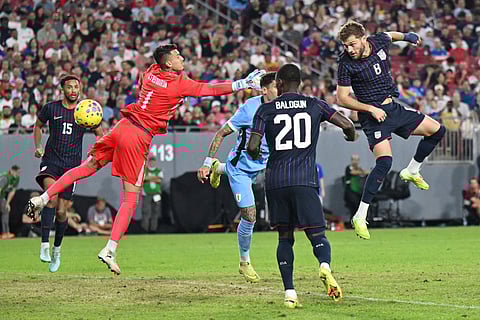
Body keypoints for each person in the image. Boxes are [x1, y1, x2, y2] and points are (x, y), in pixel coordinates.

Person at [25, 44, 266, 275]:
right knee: (130, 198)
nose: (182, 58)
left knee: (87, 167)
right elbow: (208, 90)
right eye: (177, 55)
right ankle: (110, 249)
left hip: (122, 126)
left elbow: (159, 77)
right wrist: (243, 83)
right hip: (138, 135)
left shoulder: (150, 73)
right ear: (169, 63)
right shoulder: (179, 83)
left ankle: (44, 197)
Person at [247, 64, 357, 308]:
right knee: (317, 233)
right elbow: (348, 125)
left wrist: (255, 158)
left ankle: (290, 293)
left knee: (284, 238)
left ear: (279, 84)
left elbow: (252, 147)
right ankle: (324, 267)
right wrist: (351, 137)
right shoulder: (315, 104)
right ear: (299, 83)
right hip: (305, 180)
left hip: (276, 181)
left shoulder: (265, 109)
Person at [336, 21, 446, 240]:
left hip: (393, 108)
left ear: (364, 38)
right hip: (372, 116)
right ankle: (360, 215)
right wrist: (370, 108)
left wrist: (408, 36)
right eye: (346, 45)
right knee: (385, 162)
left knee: (437, 130)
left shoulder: (377, 41)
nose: (349, 49)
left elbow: (389, 35)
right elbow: (342, 98)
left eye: (352, 44)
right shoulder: (345, 63)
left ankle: (412, 170)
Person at [197, 72, 277, 283]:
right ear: (265, 89)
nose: (281, 91)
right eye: (277, 87)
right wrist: (206, 162)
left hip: (266, 166)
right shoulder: (250, 108)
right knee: (250, 216)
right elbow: (221, 133)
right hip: (241, 169)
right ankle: (244, 262)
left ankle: (219, 169)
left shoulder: (282, 107)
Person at [33, 74, 103, 273]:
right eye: (69, 87)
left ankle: (57, 249)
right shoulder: (51, 108)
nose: (73, 90)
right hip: (51, 161)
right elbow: (37, 126)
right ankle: (44, 245)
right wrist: (38, 145)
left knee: (62, 212)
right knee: (51, 199)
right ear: (62, 89)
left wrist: (96, 152)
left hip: (71, 168)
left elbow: (100, 135)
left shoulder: (85, 111)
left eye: (76, 87)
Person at [343, 154, 369, 220]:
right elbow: (353, 172)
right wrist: (362, 172)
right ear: (352, 160)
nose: (356, 161)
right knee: (353, 206)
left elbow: (365, 173)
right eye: (354, 160)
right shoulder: (349, 168)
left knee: (359, 206)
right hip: (349, 192)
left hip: (357, 192)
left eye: (357, 160)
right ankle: (352, 222)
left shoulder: (359, 168)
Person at [142, 155, 163, 233]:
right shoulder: (145, 170)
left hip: (156, 193)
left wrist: (149, 178)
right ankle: (145, 228)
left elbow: (159, 180)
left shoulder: (158, 170)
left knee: (155, 211)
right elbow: (144, 178)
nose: (152, 162)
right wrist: (154, 178)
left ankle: (153, 229)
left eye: (153, 161)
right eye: (151, 161)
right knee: (145, 211)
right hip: (147, 193)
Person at [0, 165, 20, 240]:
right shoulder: (5, 178)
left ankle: (6, 233)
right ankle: (5, 232)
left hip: (2, 196)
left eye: (18, 172)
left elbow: (12, 191)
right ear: (11, 171)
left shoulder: (16, 178)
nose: (17, 174)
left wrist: (7, 203)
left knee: (6, 210)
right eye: (16, 172)